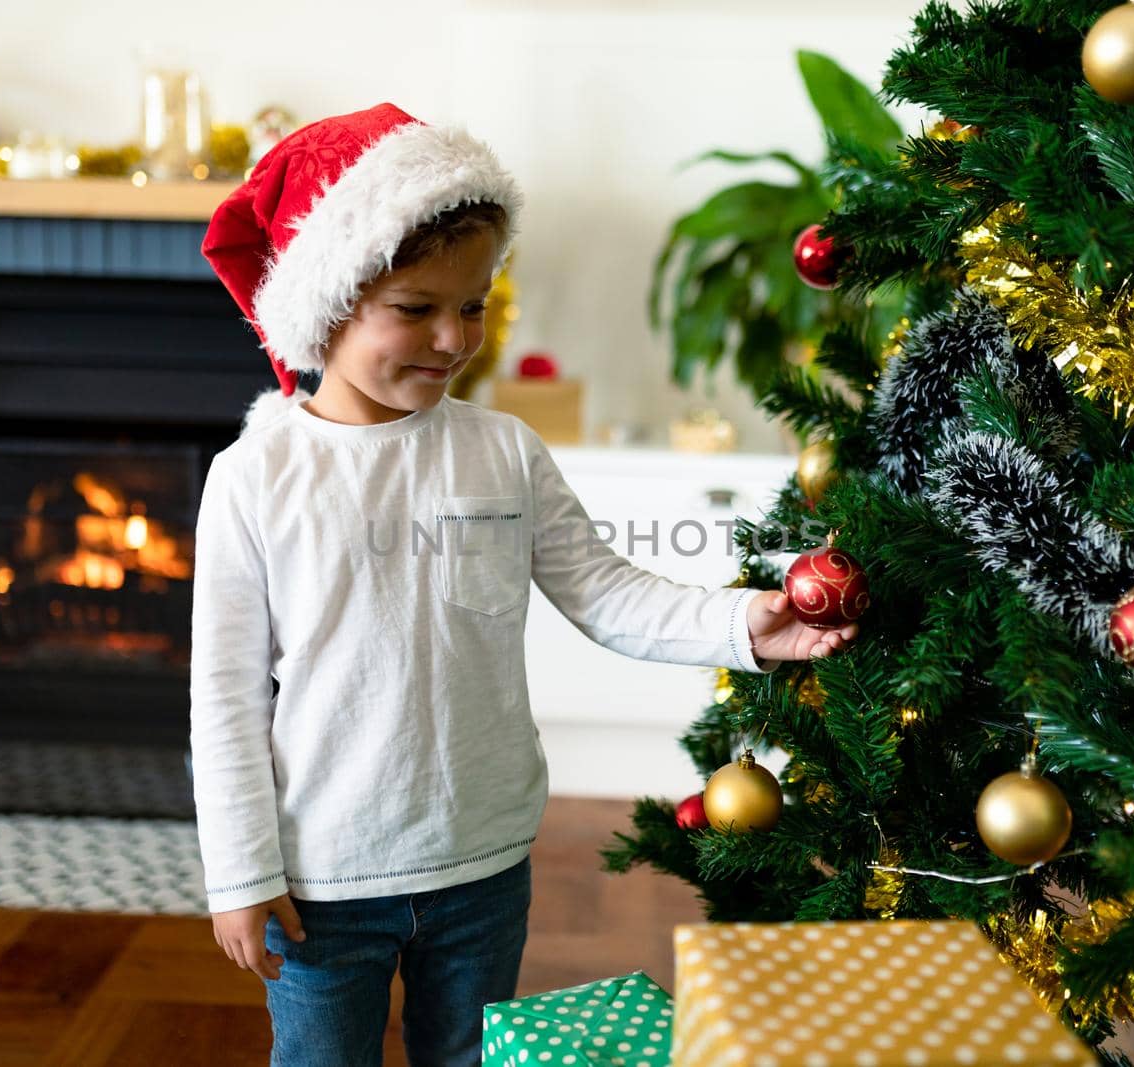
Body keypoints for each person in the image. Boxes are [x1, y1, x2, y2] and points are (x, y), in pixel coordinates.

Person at [191, 102, 860, 1067]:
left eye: (473, 304)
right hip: (323, 880)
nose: (453, 337)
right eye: (415, 308)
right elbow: (224, 696)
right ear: (328, 300)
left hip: (484, 865)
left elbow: (605, 590)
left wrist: (745, 626)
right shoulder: (255, 477)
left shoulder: (503, 450)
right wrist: (240, 871)